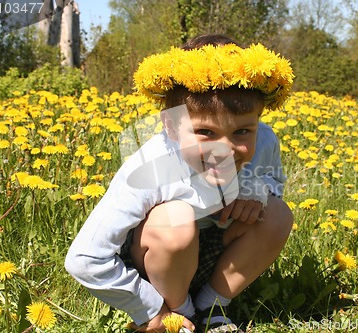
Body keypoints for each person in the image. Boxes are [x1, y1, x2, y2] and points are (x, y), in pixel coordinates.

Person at [65, 34, 294, 333]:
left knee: (277, 213)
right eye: (205, 132)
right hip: (155, 264)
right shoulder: (150, 166)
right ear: (171, 125)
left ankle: (211, 307)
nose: (224, 150)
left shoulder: (264, 140)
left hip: (213, 251)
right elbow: (85, 259)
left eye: (241, 132)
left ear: (258, 120)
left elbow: (272, 180)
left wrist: (256, 191)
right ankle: (178, 312)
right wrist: (149, 308)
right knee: (175, 219)